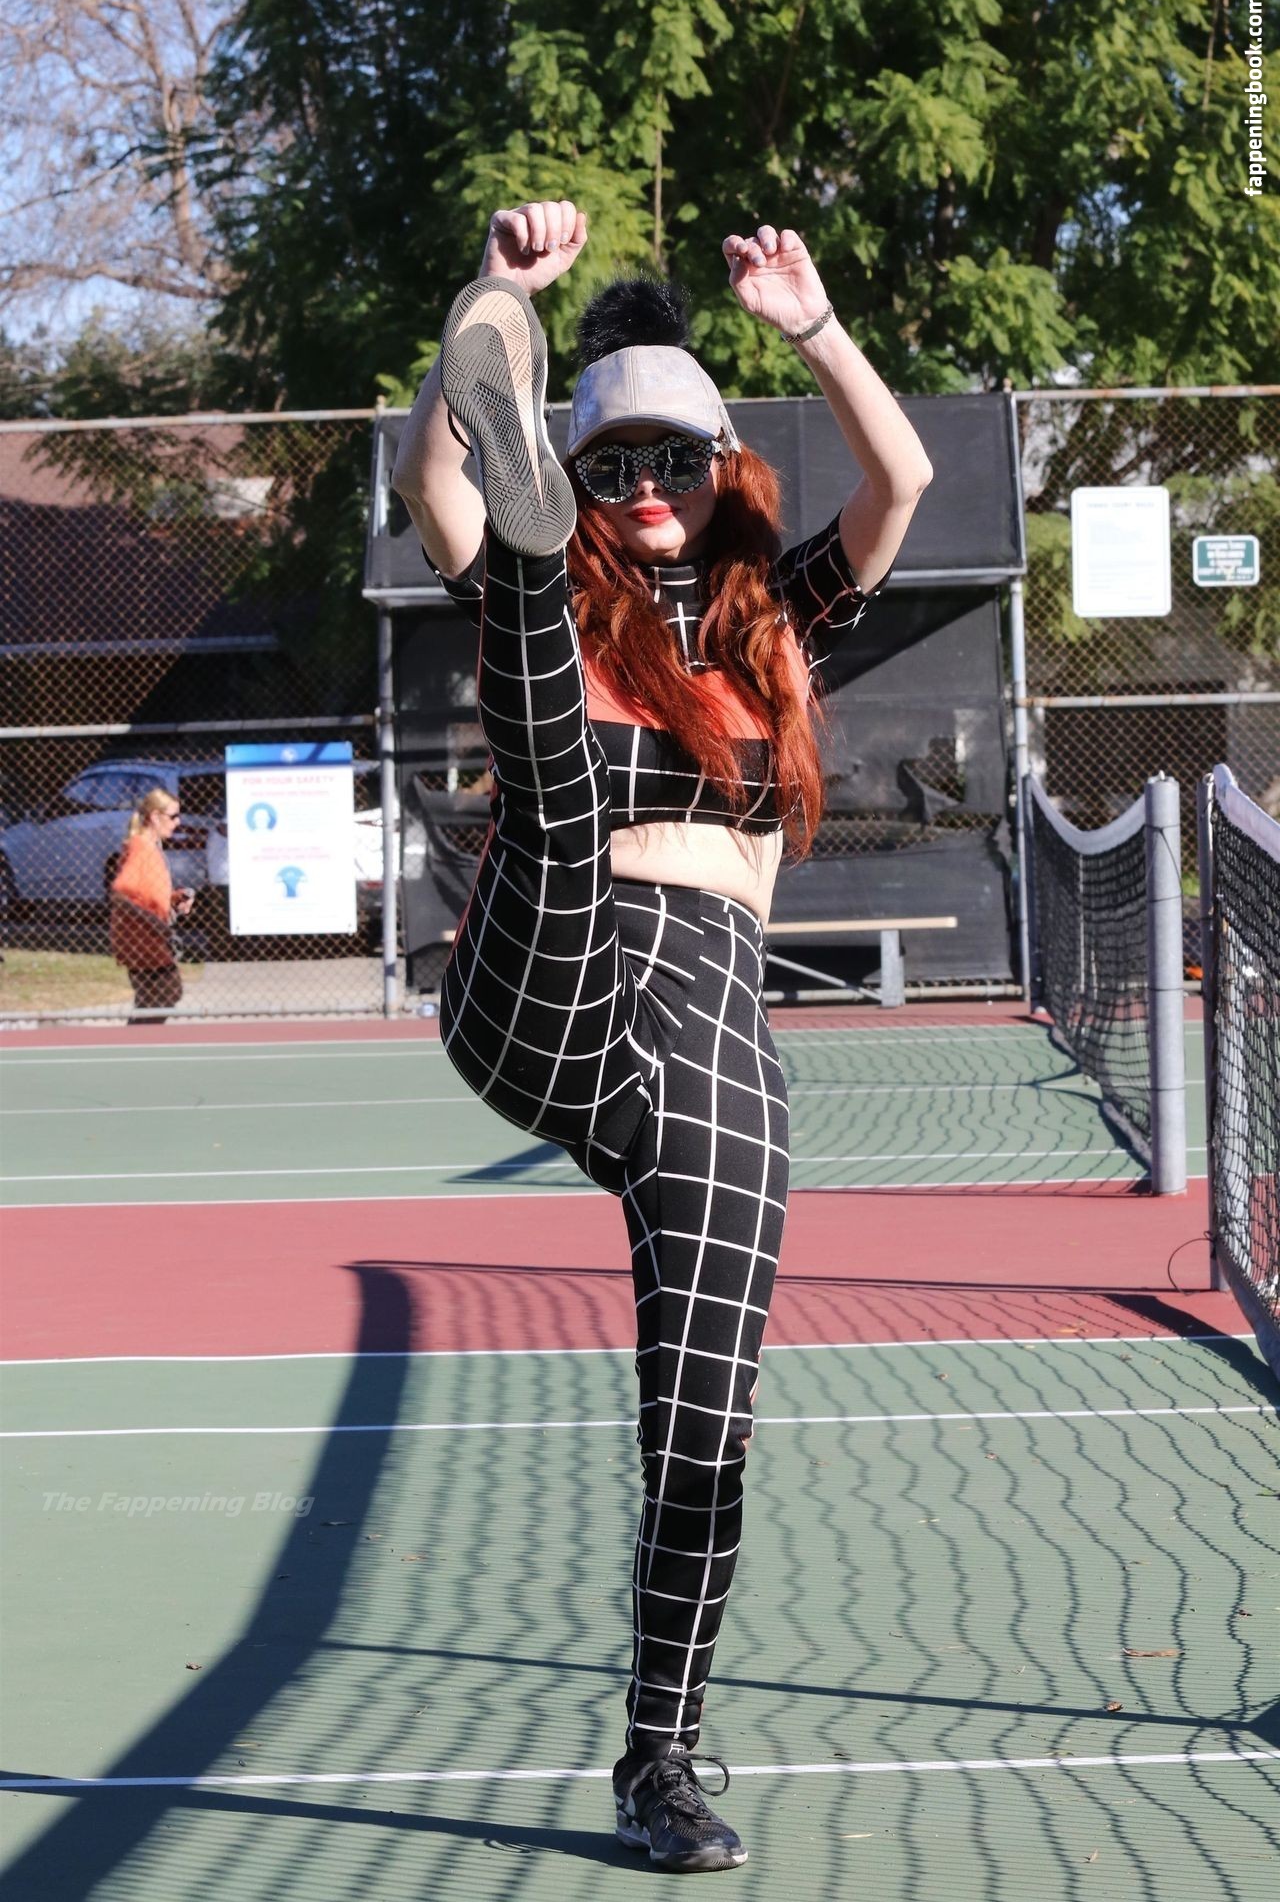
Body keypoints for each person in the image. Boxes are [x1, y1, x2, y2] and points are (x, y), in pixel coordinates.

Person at [392, 200, 932, 1872]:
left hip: (708, 1031)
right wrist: (494, 296)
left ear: (721, 468)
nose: (646, 489)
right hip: (547, 968)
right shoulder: (574, 593)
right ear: (573, 472)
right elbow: (425, 488)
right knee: (553, 784)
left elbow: (901, 482)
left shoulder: (774, 615)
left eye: (671, 463)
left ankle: (663, 1759)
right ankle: (526, 530)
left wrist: (815, 329)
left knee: (704, 1422)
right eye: (609, 464)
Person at [108, 787, 193, 1023]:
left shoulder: (151, 847)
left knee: (158, 999)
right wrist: (154, 923)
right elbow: (120, 893)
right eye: (173, 816)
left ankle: (140, 1040)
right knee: (164, 994)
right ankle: (137, 1041)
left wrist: (174, 899)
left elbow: (145, 894)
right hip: (141, 942)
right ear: (155, 817)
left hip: (150, 941)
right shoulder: (141, 847)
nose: (178, 822)